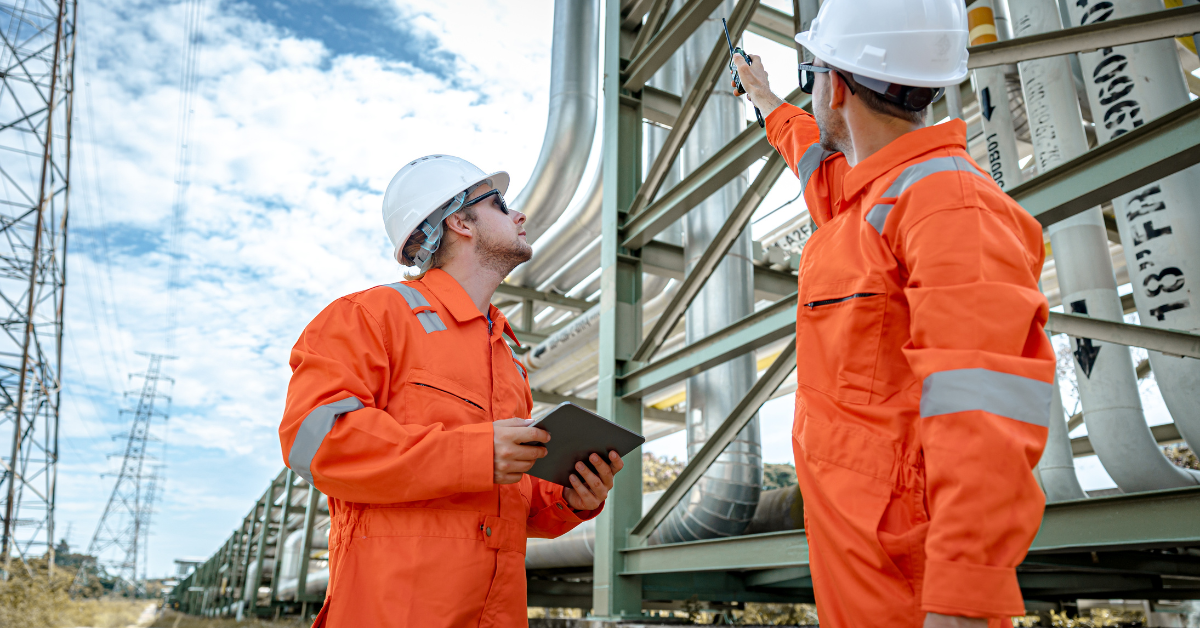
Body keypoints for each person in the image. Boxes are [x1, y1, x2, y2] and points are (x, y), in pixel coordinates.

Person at [732, 1, 1054, 626]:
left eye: (812, 73)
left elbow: (985, 403)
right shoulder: (865, 199)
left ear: (837, 84)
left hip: (913, 577)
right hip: (860, 556)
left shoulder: (947, 203)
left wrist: (963, 598)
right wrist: (767, 97)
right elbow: (810, 155)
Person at [278, 154, 624, 628]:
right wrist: (476, 454)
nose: (520, 214)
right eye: (501, 205)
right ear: (459, 220)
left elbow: (504, 502)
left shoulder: (506, 359)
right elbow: (317, 444)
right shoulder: (369, 316)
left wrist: (569, 499)